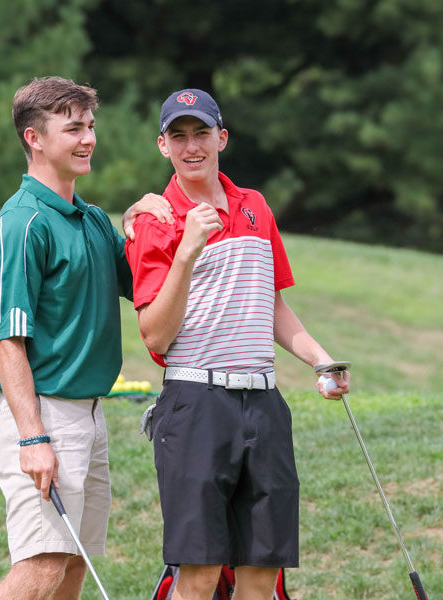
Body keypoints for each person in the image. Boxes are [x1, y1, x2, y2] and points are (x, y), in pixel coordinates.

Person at [125, 88, 351, 600]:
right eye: (178, 137)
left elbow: (270, 305)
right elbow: (154, 334)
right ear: (163, 146)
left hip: (264, 403)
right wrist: (185, 252)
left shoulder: (255, 207)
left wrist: (320, 360)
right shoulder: (153, 221)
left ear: (221, 137)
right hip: (195, 404)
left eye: (201, 133)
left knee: (261, 573)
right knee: (200, 573)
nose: (192, 147)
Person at [0, 76, 171, 600]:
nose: (87, 139)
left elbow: (143, 286)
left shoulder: (90, 219)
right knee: (42, 567)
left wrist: (141, 225)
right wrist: (33, 436)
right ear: (34, 139)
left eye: (90, 126)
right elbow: (7, 342)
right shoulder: (20, 225)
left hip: (88, 413)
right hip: (41, 416)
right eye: (73, 128)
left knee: (71, 568)